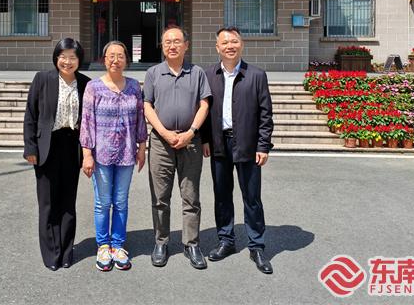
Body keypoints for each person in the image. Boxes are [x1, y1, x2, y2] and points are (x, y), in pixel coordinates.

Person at [201, 26, 274, 274]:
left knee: (251, 197)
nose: (229, 46)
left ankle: (257, 246)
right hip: (219, 143)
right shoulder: (208, 75)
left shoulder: (256, 75)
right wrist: (205, 139)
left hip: (248, 144)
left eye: (234, 41)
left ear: (241, 44)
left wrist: (263, 145)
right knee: (222, 195)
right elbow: (203, 110)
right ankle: (226, 240)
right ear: (217, 47)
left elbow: (265, 114)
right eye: (225, 42)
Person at [143, 26, 211, 269]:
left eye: (177, 41)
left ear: (186, 45)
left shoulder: (197, 72)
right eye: (167, 42)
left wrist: (191, 132)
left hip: (190, 141)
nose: (172, 45)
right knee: (160, 197)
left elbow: (204, 105)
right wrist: (164, 132)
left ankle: (191, 244)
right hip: (161, 143)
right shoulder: (153, 73)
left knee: (191, 196)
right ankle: (161, 242)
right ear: (162, 46)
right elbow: (147, 105)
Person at [23, 38, 91, 271]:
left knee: (68, 201)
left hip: (72, 146)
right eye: (63, 56)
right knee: (48, 203)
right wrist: (30, 148)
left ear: (79, 60)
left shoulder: (85, 83)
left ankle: (66, 250)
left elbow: (89, 120)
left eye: (72, 57)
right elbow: (31, 115)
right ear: (56, 58)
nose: (67, 62)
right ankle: (51, 253)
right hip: (47, 146)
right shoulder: (43, 79)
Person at [79, 41, 148, 272]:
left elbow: (140, 118)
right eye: (111, 56)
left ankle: (118, 245)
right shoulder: (93, 87)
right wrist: (87, 154)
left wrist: (142, 147)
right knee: (102, 202)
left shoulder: (134, 86)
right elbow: (87, 122)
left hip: (127, 153)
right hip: (101, 155)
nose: (115, 60)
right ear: (104, 59)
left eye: (120, 56)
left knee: (120, 201)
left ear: (126, 60)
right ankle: (103, 245)